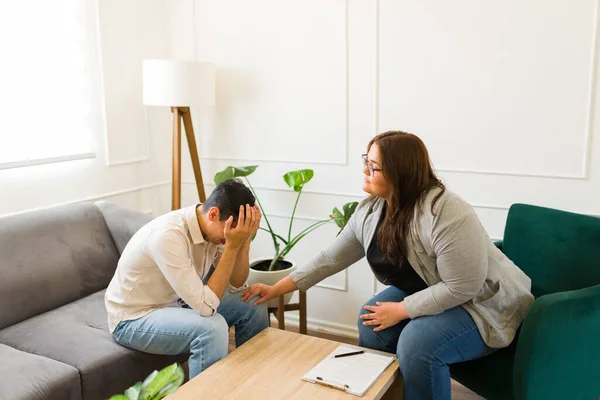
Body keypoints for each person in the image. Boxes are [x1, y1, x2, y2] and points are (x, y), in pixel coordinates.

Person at [241, 131, 534, 400]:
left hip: (482, 301)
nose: (364, 170)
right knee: (371, 321)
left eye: (373, 166)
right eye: (365, 161)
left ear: (399, 173)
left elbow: (463, 286)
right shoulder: (371, 210)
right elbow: (331, 257)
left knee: (417, 344)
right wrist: (277, 288)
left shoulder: (446, 213)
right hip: (436, 288)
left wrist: (402, 309)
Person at [105, 178, 269, 378]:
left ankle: (252, 381)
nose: (229, 239)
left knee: (253, 301)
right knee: (213, 328)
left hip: (177, 304)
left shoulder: (214, 230)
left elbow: (237, 284)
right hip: (133, 319)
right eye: (229, 234)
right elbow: (206, 308)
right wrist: (232, 246)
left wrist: (244, 241)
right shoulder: (168, 236)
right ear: (214, 214)